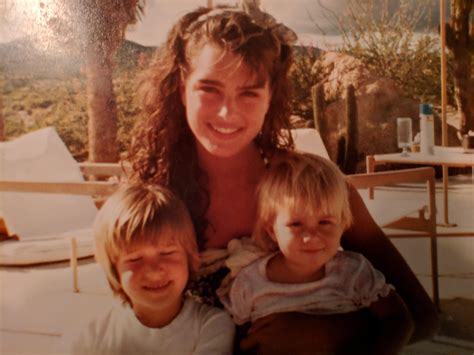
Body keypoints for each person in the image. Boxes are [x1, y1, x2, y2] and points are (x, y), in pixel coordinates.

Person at [128, 4, 438, 353]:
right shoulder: (152, 198)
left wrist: (329, 331)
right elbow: (133, 324)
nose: (228, 112)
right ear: (181, 85)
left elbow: (422, 316)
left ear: (270, 96)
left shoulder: (313, 188)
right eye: (209, 89)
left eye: (249, 92)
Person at [219, 152, 414, 353]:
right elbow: (237, 343)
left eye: (325, 222)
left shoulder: (353, 272)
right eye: (296, 224)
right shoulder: (249, 284)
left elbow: (400, 321)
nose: (311, 237)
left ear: (343, 224)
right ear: (272, 230)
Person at [66, 183, 235, 354]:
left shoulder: (212, 325)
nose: (154, 271)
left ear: (190, 257)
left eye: (167, 253)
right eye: (135, 258)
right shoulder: (91, 333)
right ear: (113, 269)